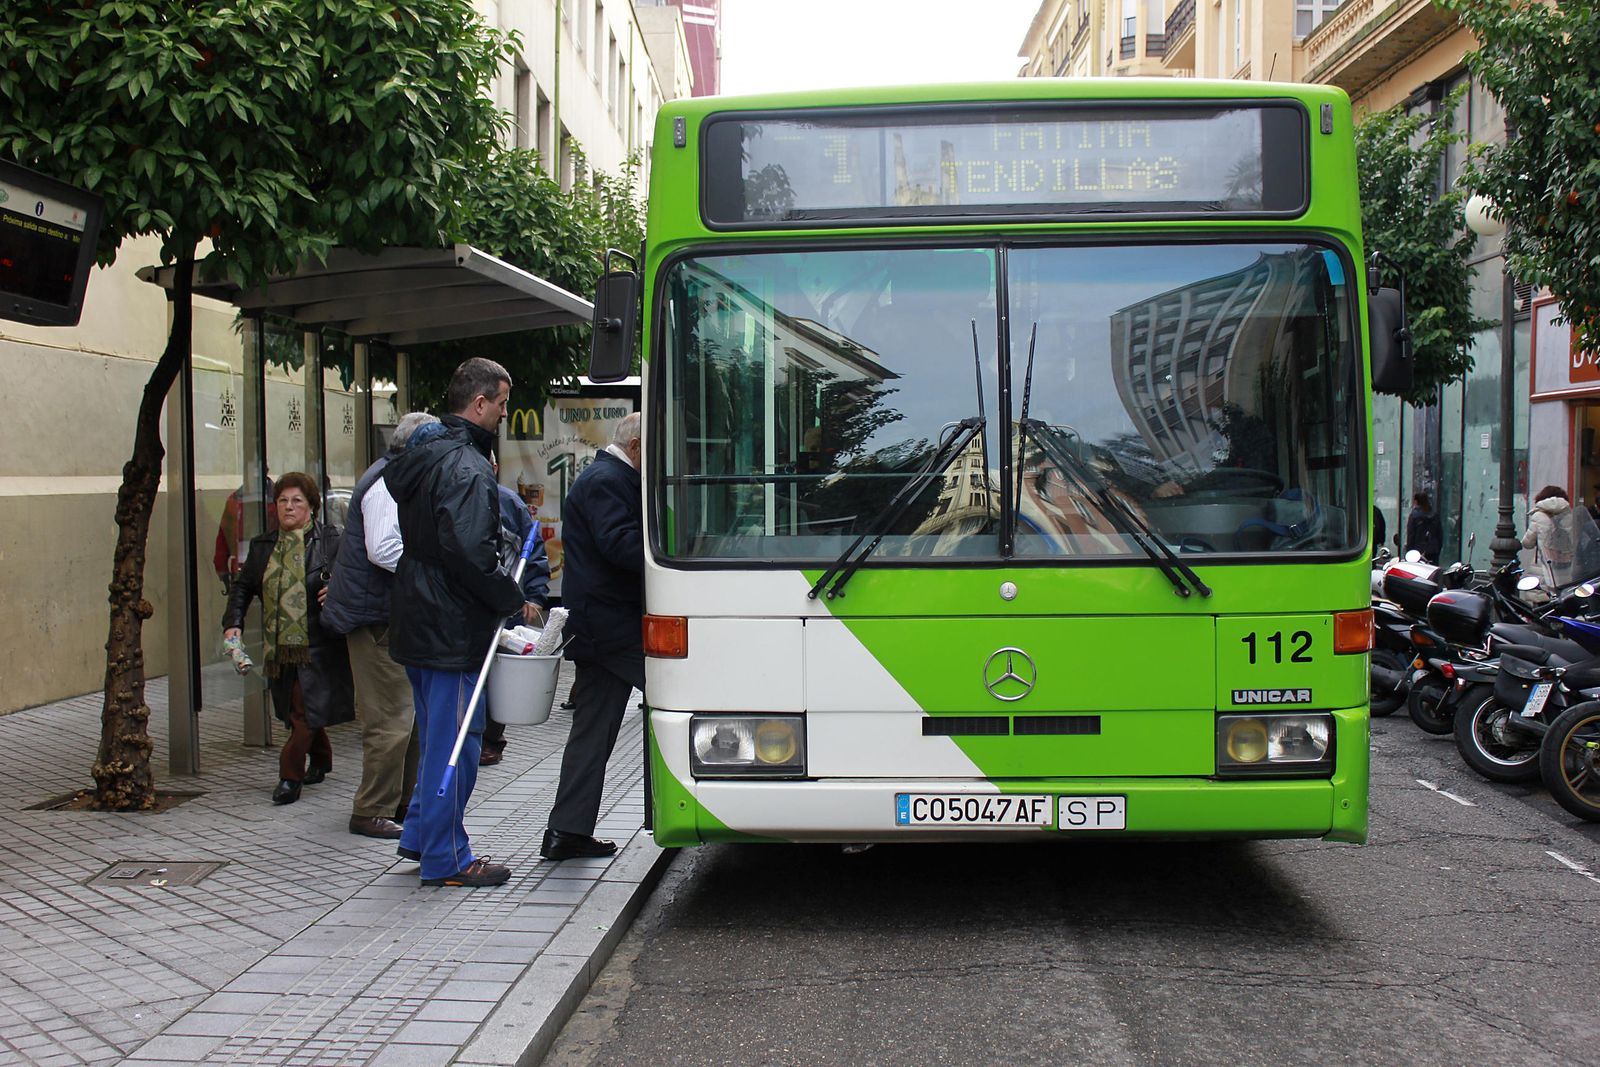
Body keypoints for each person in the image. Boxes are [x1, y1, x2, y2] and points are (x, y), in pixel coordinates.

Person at [385, 358, 526, 888]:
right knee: (457, 744)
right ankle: (447, 857)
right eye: (503, 404)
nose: (505, 414)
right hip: (450, 621)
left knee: (437, 734)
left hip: (417, 612)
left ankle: (423, 836)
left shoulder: (424, 453)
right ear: (480, 403)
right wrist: (507, 594)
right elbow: (469, 552)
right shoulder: (465, 465)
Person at [321, 413, 437, 840]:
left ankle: (400, 802)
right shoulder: (388, 482)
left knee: (407, 718)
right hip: (375, 619)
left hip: (386, 615)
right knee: (390, 720)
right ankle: (371, 808)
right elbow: (384, 549)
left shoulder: (393, 475)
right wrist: (431, 570)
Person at [542, 412, 644, 862]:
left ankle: (566, 831)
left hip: (603, 625)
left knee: (592, 731)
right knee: (691, 690)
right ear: (638, 445)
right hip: (613, 627)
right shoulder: (608, 479)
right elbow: (621, 545)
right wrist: (678, 551)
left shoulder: (605, 476)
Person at [222, 472, 353, 805]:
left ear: (311, 506)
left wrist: (337, 587)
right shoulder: (263, 546)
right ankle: (321, 759)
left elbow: (357, 577)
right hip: (280, 645)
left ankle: (289, 776)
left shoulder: (332, 541)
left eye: (297, 501)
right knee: (298, 708)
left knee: (303, 712)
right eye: (283, 500)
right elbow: (242, 588)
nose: (289, 507)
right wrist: (233, 623)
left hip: (320, 645)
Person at [481, 456, 551, 767]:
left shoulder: (508, 503)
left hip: (505, 601)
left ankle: (491, 740)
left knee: (499, 674)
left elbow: (533, 550)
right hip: (470, 604)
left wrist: (534, 597)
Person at [1523, 485, 1577, 587]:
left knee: (1543, 597)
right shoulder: (1569, 515)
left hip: (1543, 568)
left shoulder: (1539, 516)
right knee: (1562, 594)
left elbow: (1527, 543)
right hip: (1565, 565)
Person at [1404, 491, 1443, 563]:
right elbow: (1439, 535)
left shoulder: (1414, 516)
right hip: (1433, 550)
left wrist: (1409, 551)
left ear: (1416, 501)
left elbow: (1411, 535)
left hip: (1417, 552)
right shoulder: (1435, 515)